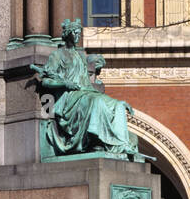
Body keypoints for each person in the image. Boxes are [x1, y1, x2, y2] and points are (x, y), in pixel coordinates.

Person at [32, 19, 141, 159]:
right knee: (96, 102)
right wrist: (65, 84)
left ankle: (121, 145)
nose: (77, 36)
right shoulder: (57, 55)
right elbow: (46, 81)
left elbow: (87, 85)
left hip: (86, 93)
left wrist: (113, 100)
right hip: (69, 97)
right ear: (67, 34)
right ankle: (94, 140)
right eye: (75, 33)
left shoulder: (80, 57)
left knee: (117, 105)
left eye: (79, 33)